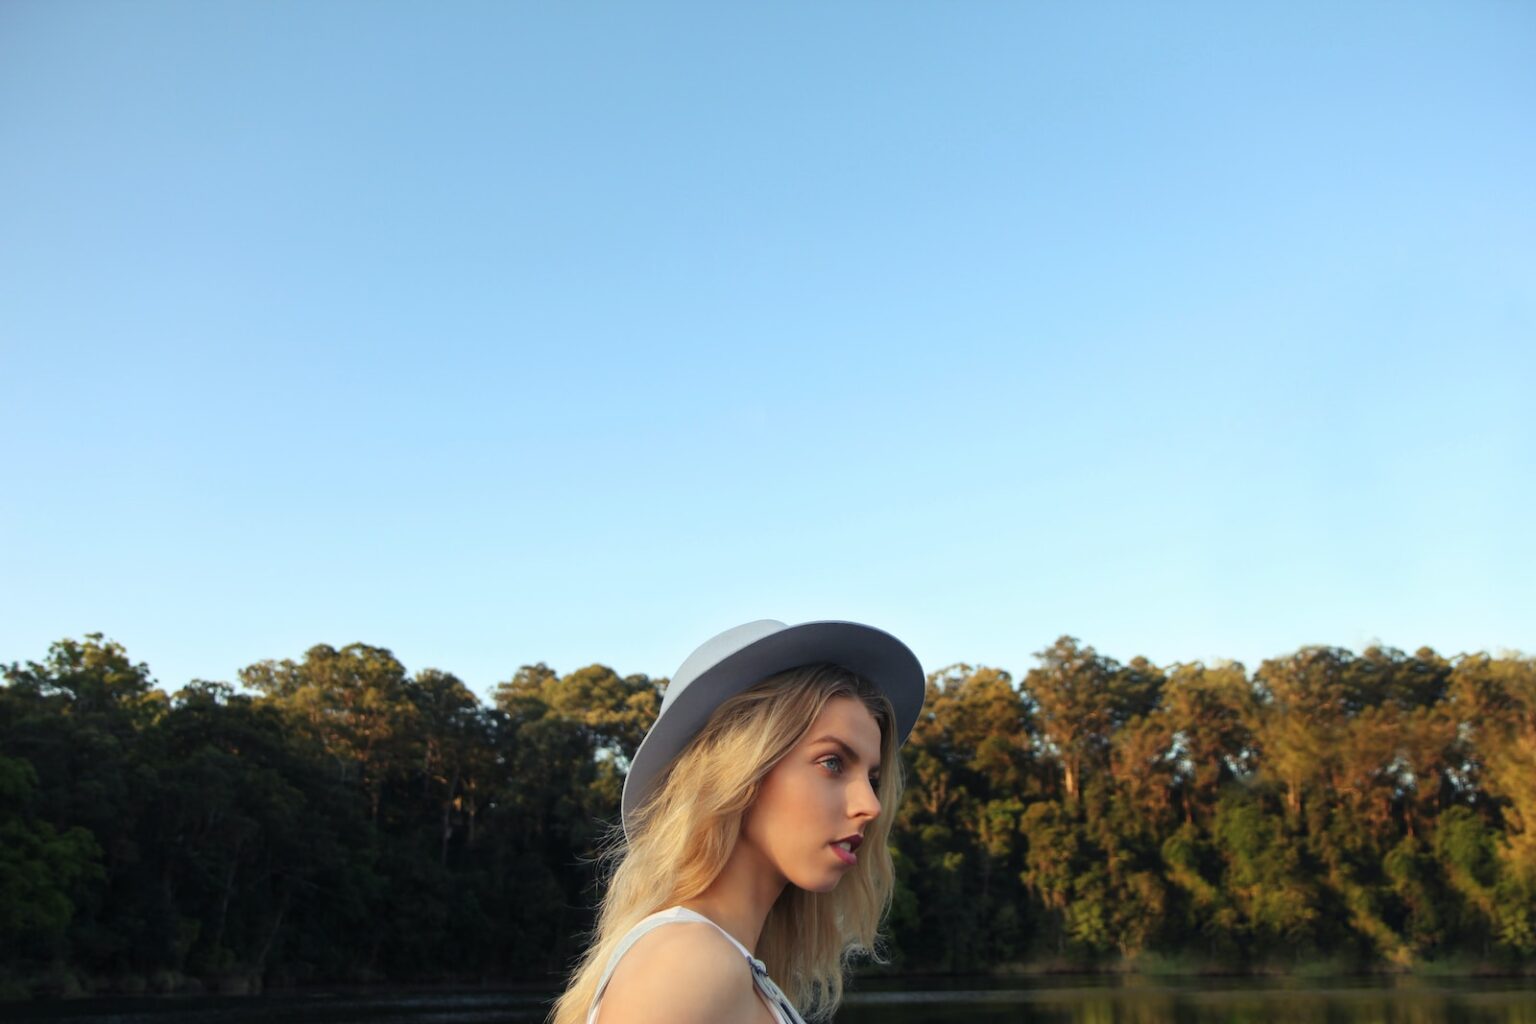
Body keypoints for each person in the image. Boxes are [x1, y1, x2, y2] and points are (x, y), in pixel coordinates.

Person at [547, 619, 926, 1024]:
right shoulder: (686, 963)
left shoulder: (722, 961)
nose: (871, 805)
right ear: (739, 773)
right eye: (832, 763)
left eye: (872, 779)